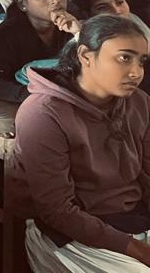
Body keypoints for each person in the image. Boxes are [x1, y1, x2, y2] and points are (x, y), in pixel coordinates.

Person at [11, 14, 150, 272]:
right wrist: (137, 249)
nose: (136, 72)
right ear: (85, 55)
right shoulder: (43, 113)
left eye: (141, 61)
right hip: (65, 235)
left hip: (134, 220)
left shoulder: (139, 102)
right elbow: (56, 210)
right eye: (124, 58)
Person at [0, 0, 82, 102]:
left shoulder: (74, 24)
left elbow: (95, 66)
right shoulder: (6, 35)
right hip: (29, 104)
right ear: (22, 4)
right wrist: (38, 96)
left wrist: (78, 34)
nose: (55, 0)